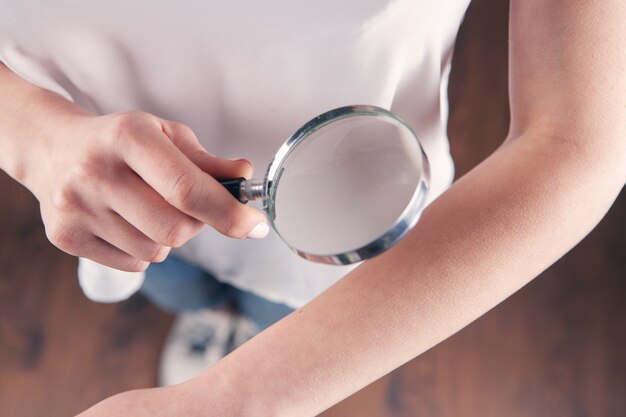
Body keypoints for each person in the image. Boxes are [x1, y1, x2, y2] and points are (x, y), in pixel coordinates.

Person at [0, 0, 624, 415]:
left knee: (276, 313)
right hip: (107, 198)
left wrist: (229, 399)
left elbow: (571, 141)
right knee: (179, 285)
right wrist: (34, 136)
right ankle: (211, 319)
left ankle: (241, 337)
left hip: (347, 219)